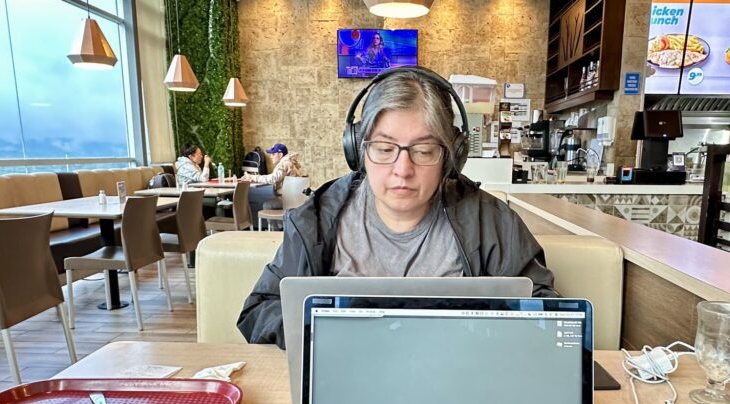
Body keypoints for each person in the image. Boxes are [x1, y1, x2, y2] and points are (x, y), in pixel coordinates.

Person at [238, 67, 556, 348]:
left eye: (424, 150)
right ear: (358, 151)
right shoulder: (318, 219)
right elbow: (261, 309)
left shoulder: (492, 222)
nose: (402, 169)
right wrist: (324, 335)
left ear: (449, 157)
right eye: (384, 148)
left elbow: (546, 312)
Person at [243, 143, 304, 217]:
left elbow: (273, 178)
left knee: (267, 205)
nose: (271, 157)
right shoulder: (291, 163)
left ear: (280, 155)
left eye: (273, 154)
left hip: (289, 200)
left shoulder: (284, 164)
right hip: (296, 198)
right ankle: (281, 227)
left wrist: (252, 177)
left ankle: (276, 228)